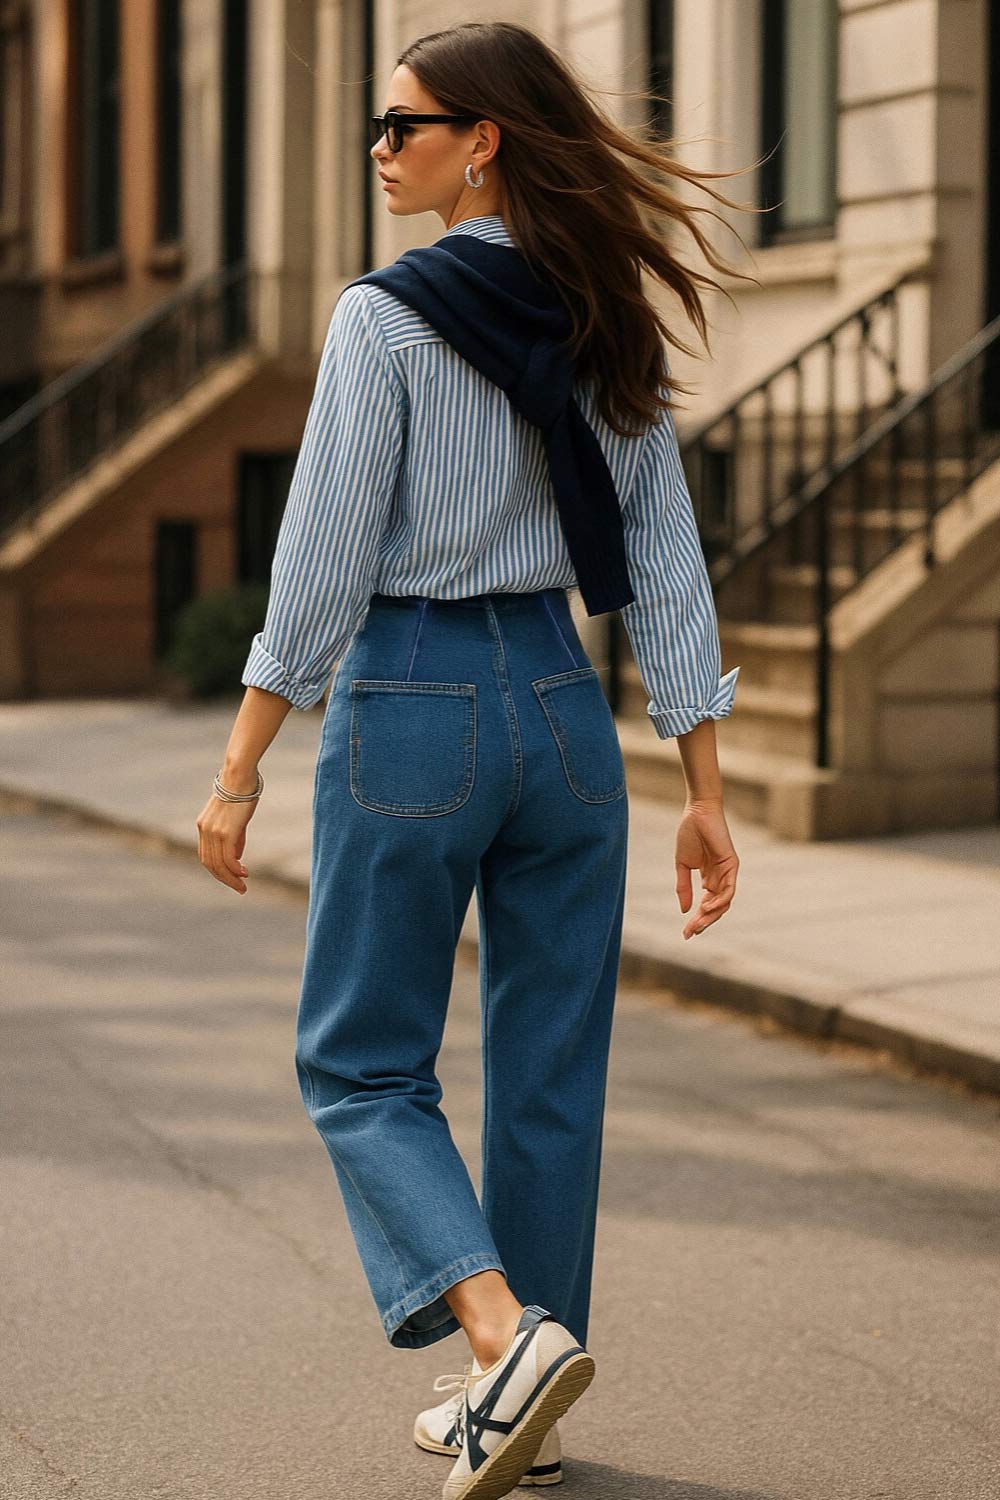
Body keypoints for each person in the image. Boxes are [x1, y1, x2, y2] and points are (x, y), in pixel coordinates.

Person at [196, 21, 759, 1500]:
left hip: (417, 704)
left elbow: (318, 559)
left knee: (360, 1060)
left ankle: (504, 1339)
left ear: (480, 141)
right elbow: (667, 558)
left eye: (401, 128)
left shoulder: (382, 319)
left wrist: (244, 759)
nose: (382, 152)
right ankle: (532, 1410)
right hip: (567, 716)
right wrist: (702, 787)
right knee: (549, 1077)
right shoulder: (601, 305)